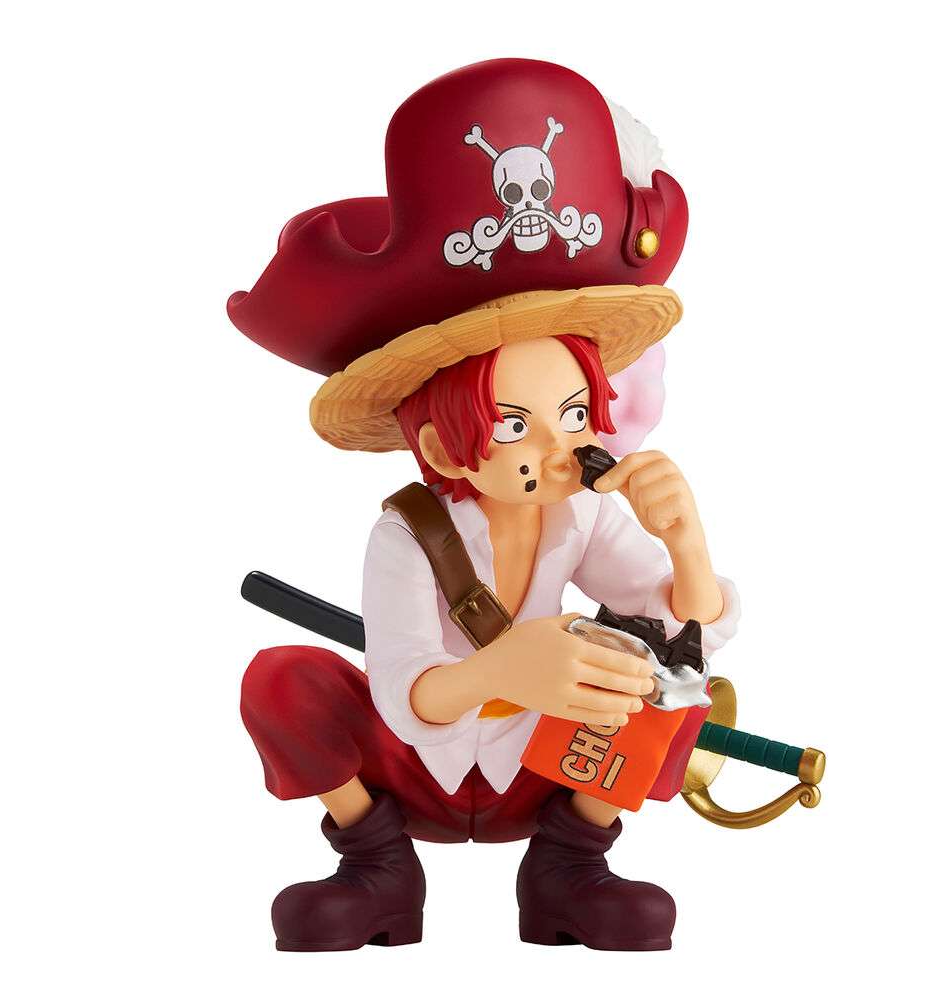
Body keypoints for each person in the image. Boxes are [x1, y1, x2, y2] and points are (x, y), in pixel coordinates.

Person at [229, 58, 739, 952]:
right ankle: (376, 865)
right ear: (439, 446)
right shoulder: (406, 534)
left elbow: (690, 632)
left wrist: (687, 545)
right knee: (280, 677)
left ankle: (570, 866)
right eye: (514, 424)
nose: (558, 446)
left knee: (672, 690)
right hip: (410, 768)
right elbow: (403, 689)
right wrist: (504, 671)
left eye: (573, 415)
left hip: (545, 773)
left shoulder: (583, 515)